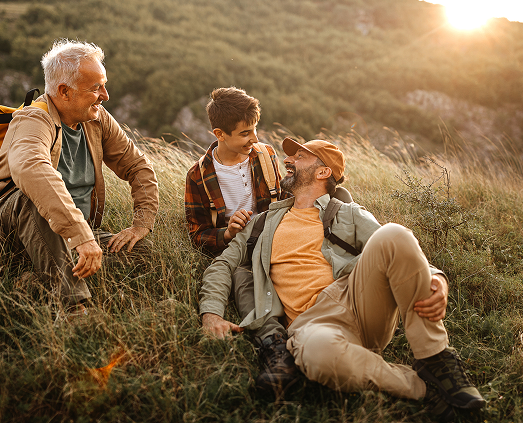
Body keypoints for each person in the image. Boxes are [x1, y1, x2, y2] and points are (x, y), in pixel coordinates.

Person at [199, 138, 485, 417]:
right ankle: (424, 388)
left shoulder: (347, 213)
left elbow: (395, 246)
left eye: (299, 157)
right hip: (309, 325)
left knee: (393, 232)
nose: (287, 160)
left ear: (323, 172)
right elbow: (222, 265)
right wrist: (211, 313)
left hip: (357, 299)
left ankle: (436, 358)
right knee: (317, 356)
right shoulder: (261, 223)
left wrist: (436, 277)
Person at [0, 39, 159, 321]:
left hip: (64, 237)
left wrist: (141, 224)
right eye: (96, 88)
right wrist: (81, 234)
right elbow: (32, 168)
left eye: (104, 84)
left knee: (140, 252)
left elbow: (138, 166)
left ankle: (33, 281)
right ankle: (74, 309)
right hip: (0, 237)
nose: (106, 95)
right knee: (32, 198)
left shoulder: (97, 119)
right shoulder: (32, 120)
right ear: (64, 91)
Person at [184, 87, 293, 390]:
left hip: (277, 235)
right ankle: (274, 345)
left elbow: (287, 199)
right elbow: (196, 233)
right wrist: (227, 232)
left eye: (255, 130)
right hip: (239, 249)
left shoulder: (266, 156)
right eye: (245, 133)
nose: (254, 139)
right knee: (240, 279)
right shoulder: (198, 176)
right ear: (219, 133)